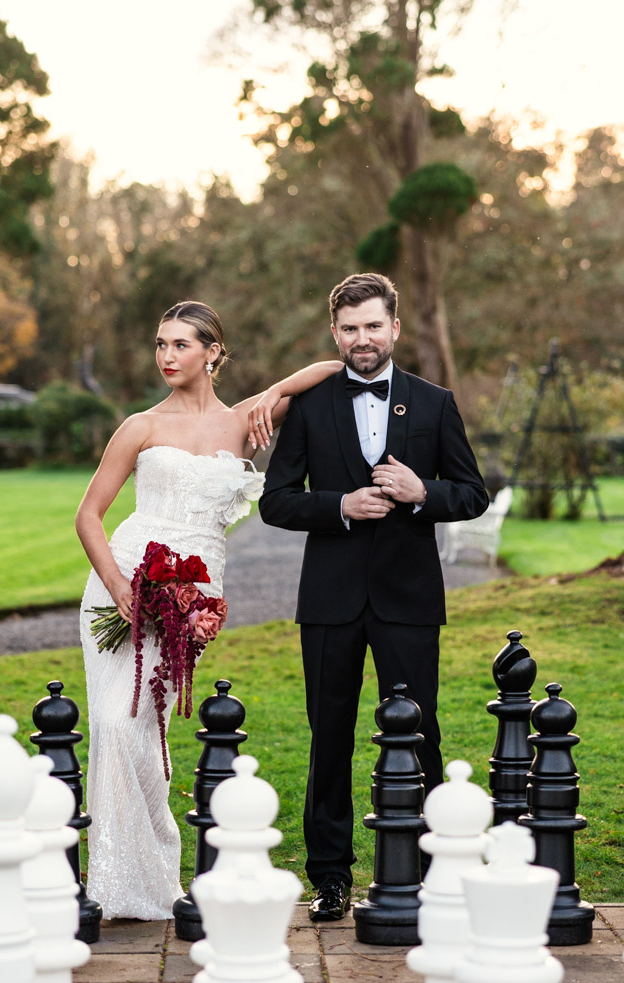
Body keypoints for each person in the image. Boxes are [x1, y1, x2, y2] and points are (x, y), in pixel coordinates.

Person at [75, 299, 342, 920]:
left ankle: (151, 874)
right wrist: (117, 585)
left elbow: (327, 370)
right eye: (161, 345)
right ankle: (122, 882)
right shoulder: (140, 426)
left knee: (143, 725)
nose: (167, 356)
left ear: (213, 353)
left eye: (181, 345)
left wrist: (277, 394)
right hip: (124, 582)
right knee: (116, 724)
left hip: (193, 597)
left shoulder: (244, 420)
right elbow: (89, 515)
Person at [255, 273, 489, 922]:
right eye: (349, 329)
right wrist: (339, 506)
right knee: (327, 741)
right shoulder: (308, 404)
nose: (362, 339)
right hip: (327, 602)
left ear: (394, 328)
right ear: (335, 333)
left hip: (409, 600)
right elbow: (275, 500)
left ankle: (426, 872)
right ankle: (330, 878)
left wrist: (422, 494)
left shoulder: (434, 403)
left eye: (372, 326)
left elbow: (472, 493)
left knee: (420, 738)